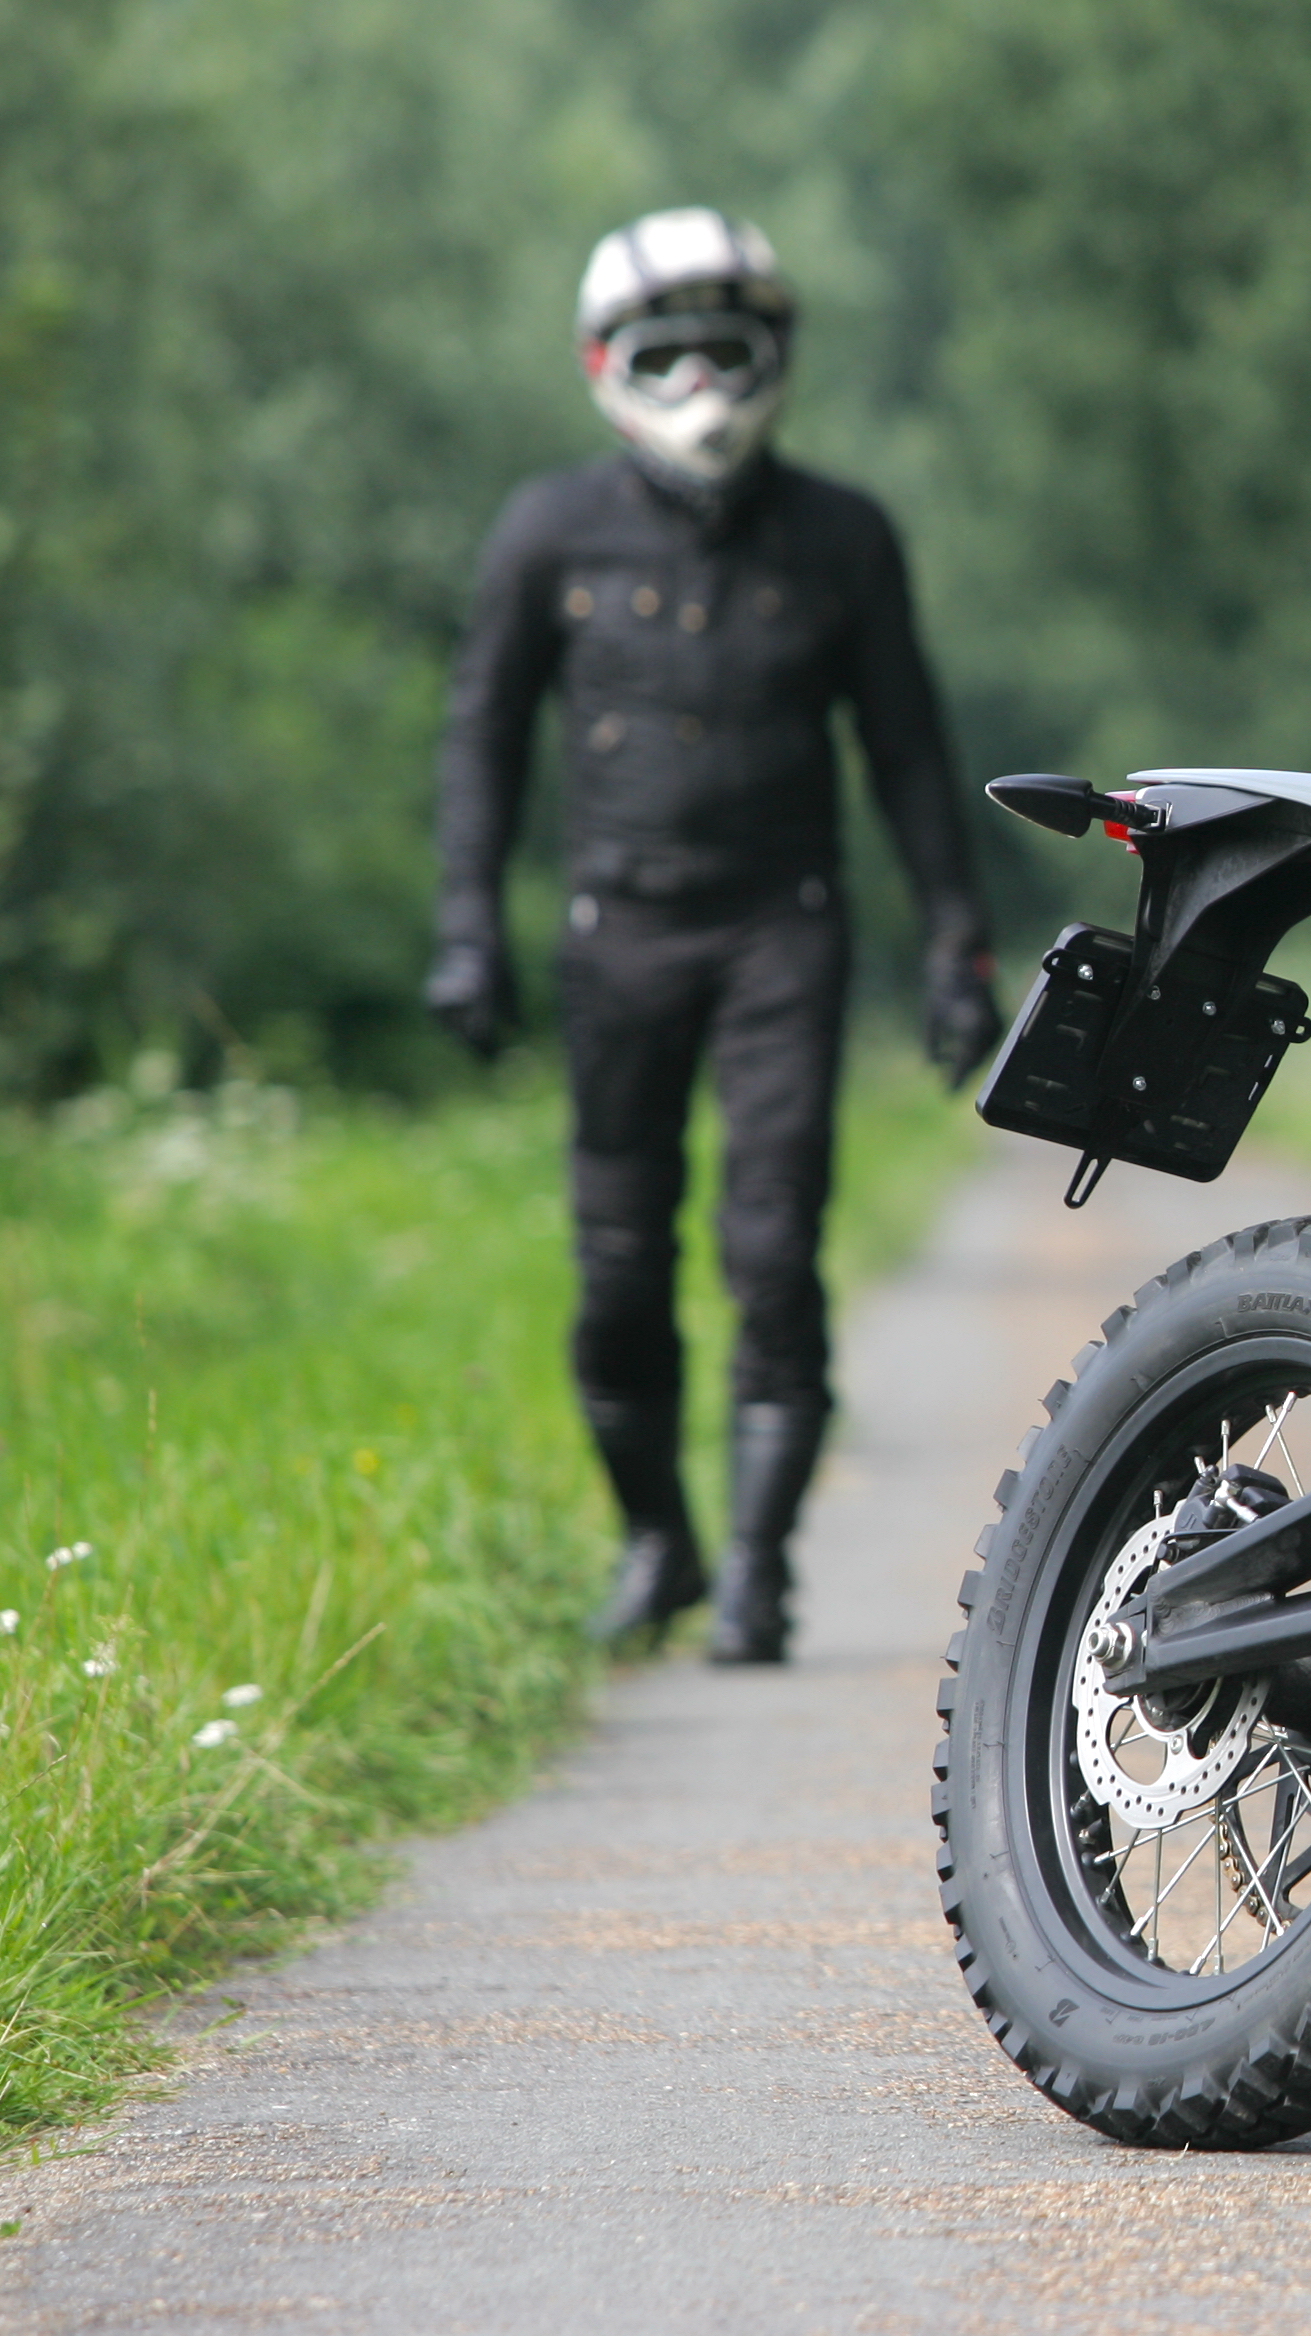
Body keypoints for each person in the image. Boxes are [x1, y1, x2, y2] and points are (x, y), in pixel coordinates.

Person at [424, 207, 1002, 1663]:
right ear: (603, 360)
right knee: (617, 1261)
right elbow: (480, 742)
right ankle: (655, 1543)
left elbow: (910, 752)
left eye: (727, 347)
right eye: (664, 350)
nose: (699, 383)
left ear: (780, 356)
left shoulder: (844, 537)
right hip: (616, 937)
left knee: (771, 1247)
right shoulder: (545, 532)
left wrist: (956, 944)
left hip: (780, 938)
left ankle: (757, 1565)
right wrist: (465, 931)